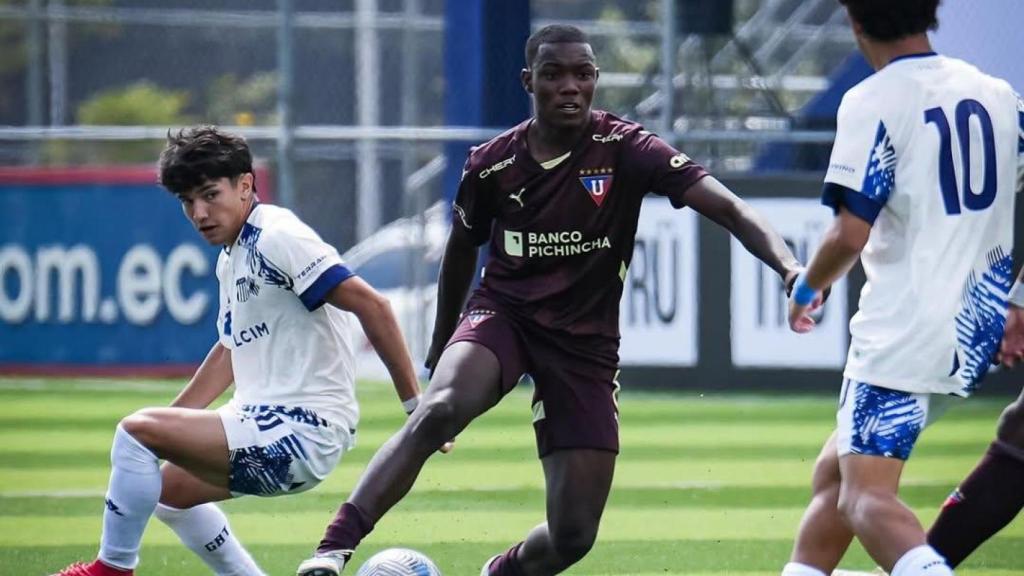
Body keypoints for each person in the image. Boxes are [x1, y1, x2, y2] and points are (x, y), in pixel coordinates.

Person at [297, 24, 803, 576]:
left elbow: (730, 207)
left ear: (594, 81)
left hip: (584, 346)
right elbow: (462, 251)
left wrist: (789, 266)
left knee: (573, 535)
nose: (570, 86)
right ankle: (331, 551)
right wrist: (443, 345)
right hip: (504, 317)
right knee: (440, 409)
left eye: (582, 74)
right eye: (554, 74)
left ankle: (501, 571)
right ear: (527, 80)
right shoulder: (490, 164)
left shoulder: (626, 149)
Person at [53, 126, 424, 576]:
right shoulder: (232, 255)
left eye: (210, 195)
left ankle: (110, 571)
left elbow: (373, 305)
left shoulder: (277, 236)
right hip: (262, 423)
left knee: (134, 431)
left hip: (298, 431)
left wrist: (415, 407)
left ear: (246, 184)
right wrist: (171, 430)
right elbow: (230, 351)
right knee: (164, 492)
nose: (200, 212)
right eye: (188, 202)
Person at [780, 1, 1023, 576]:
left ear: (853, 20)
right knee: (837, 474)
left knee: (865, 499)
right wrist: (1018, 300)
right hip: (975, 325)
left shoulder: (872, 100)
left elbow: (848, 234)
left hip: (905, 331)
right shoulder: (995, 93)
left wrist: (807, 288)